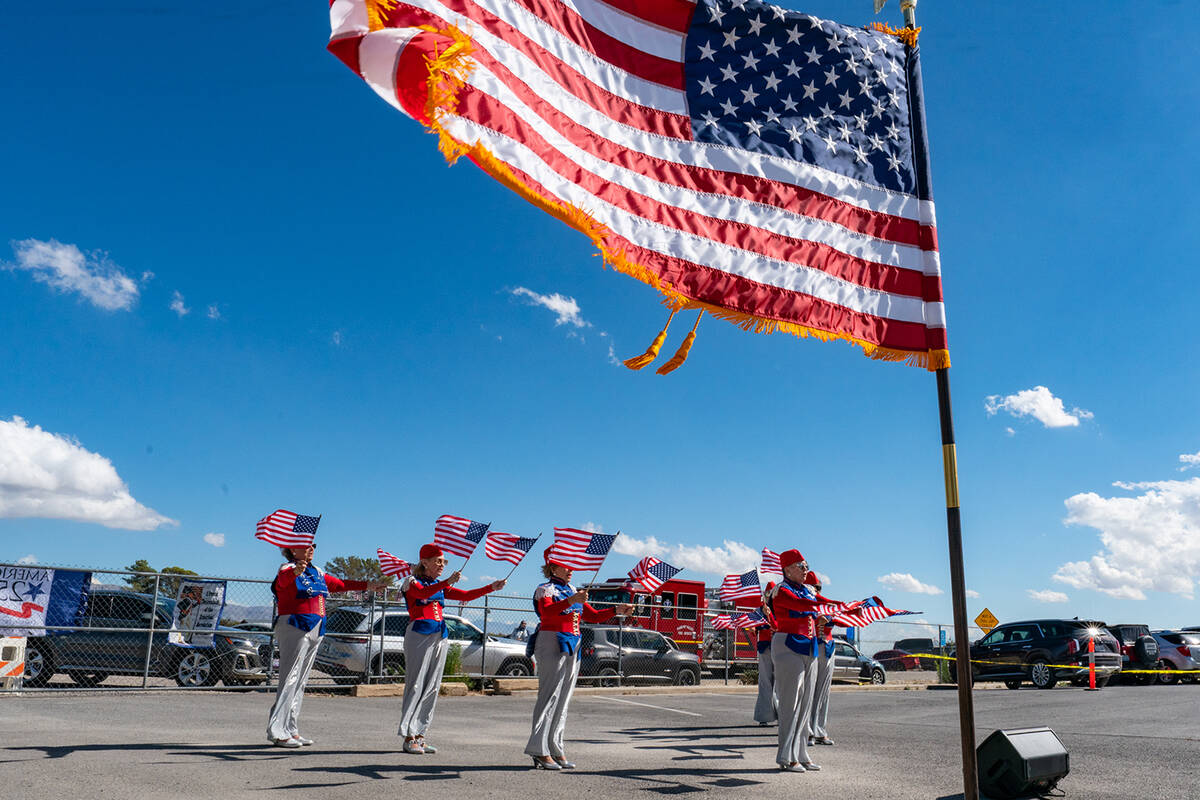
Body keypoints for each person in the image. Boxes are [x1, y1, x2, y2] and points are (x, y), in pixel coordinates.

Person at [525, 547, 632, 770]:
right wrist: (572, 599)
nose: (571, 569)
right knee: (548, 696)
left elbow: (592, 615)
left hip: (573, 643)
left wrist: (616, 609)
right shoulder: (545, 589)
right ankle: (539, 749)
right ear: (553, 567)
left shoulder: (573, 589)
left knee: (563, 699)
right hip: (551, 640)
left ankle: (555, 747)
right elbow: (546, 613)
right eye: (566, 565)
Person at [267, 543, 383, 748]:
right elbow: (281, 585)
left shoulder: (317, 571)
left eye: (313, 546)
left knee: (301, 680)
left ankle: (291, 729)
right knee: (289, 678)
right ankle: (278, 731)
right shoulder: (287, 569)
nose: (311, 549)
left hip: (315, 625)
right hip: (295, 623)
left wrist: (367, 585)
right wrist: (295, 571)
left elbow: (338, 584)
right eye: (306, 546)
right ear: (293, 551)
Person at [398, 543, 506, 755]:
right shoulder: (412, 581)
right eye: (438, 561)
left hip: (439, 634)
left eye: (443, 562)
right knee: (416, 684)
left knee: (432, 687)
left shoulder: (438, 584)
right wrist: (447, 582)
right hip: (419, 634)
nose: (442, 565)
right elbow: (421, 594)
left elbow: (464, 595)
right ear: (425, 562)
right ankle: (408, 736)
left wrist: (490, 587)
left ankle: (420, 735)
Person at [769, 549, 844, 773]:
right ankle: (785, 755)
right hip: (787, 646)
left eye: (806, 565)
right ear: (788, 569)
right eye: (801, 566)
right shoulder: (781, 591)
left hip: (808, 647)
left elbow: (824, 602)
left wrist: (850, 606)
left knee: (805, 705)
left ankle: (801, 752)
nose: (805, 570)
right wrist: (833, 607)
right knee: (790, 705)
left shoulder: (808, 590)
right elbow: (803, 607)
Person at [805, 572, 836, 746]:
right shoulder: (805, 604)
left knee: (824, 693)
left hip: (828, 648)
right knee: (810, 691)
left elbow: (836, 618)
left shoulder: (826, 604)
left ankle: (820, 730)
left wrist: (828, 618)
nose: (816, 591)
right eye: (813, 588)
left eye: (818, 588)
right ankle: (808, 731)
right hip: (813, 647)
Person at [753, 581, 779, 726]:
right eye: (767, 593)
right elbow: (754, 627)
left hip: (779, 647)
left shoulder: (780, 609)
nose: (769, 596)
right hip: (765, 648)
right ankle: (765, 715)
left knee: (781, 683)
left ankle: (782, 714)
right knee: (765, 682)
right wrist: (754, 629)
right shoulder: (759, 611)